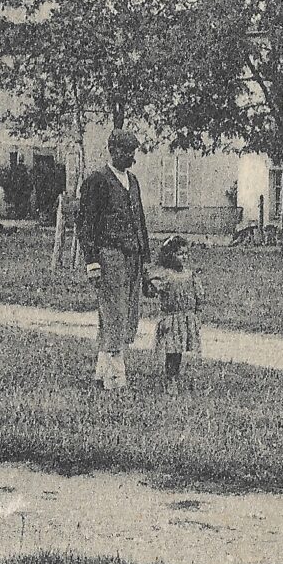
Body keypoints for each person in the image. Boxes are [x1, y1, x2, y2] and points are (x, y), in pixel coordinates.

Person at [77, 130, 152, 390]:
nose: (130, 156)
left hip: (133, 256)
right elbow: (85, 224)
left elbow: (140, 221)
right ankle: (116, 378)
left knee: (128, 313)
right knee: (114, 313)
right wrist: (92, 261)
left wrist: (145, 258)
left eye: (133, 151)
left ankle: (102, 373)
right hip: (110, 255)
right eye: (125, 151)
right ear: (112, 150)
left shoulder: (133, 181)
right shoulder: (97, 180)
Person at [151, 236, 204, 386]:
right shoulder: (166, 275)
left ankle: (175, 375)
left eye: (186, 253)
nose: (184, 257)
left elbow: (198, 295)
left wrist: (197, 313)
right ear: (170, 255)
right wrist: (151, 282)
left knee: (179, 349)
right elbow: (152, 288)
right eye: (180, 254)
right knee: (172, 350)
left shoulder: (190, 275)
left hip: (185, 316)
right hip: (171, 318)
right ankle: (171, 378)